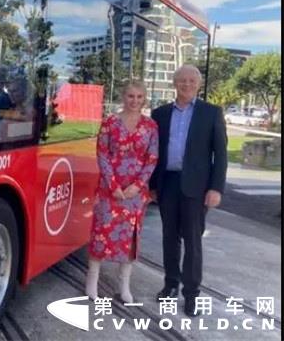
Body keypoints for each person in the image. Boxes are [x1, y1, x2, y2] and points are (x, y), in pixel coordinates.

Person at [149, 65, 227, 317]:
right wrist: (152, 186)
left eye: (191, 80)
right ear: (174, 83)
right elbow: (153, 152)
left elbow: (221, 154)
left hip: (196, 186)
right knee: (169, 238)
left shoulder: (211, 113)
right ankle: (170, 285)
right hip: (167, 183)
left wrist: (216, 188)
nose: (186, 84)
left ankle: (191, 294)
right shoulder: (159, 114)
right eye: (181, 80)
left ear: (198, 84)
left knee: (193, 240)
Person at [85, 81, 158, 303]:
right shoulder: (110, 123)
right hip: (110, 190)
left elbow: (152, 158)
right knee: (101, 233)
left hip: (136, 193)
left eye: (139, 96)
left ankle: (124, 285)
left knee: (130, 238)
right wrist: (113, 185)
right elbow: (102, 154)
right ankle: (92, 281)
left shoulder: (150, 126)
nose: (134, 100)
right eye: (130, 96)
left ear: (144, 98)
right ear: (123, 97)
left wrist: (137, 185)